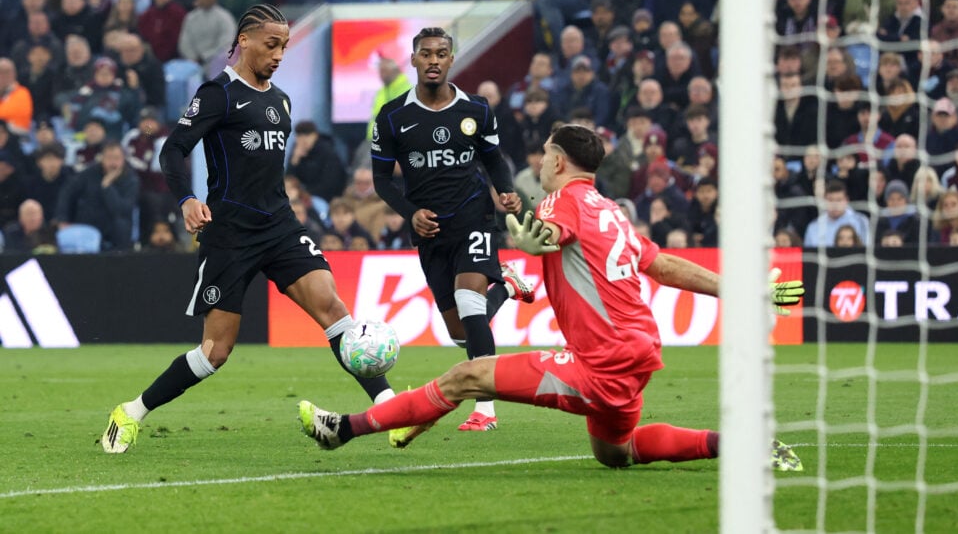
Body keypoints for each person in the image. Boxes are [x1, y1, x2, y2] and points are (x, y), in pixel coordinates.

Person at [298, 124, 805, 471]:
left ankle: (343, 428)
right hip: (638, 351)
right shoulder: (611, 211)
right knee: (616, 454)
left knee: (467, 374)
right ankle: (741, 444)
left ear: (558, 161)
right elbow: (664, 267)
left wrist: (525, 239)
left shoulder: (564, 202)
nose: (539, 162)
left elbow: (549, 231)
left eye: (544, 154)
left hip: (602, 359)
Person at [100, 4, 402, 454]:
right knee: (214, 354)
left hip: (279, 226)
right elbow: (173, 150)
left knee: (334, 311)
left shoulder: (280, 100)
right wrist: (186, 200)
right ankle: (131, 411)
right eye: (271, 44)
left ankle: (393, 412)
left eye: (283, 45)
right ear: (244, 40)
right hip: (231, 235)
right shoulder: (218, 94)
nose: (279, 54)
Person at [370, 27, 535, 435]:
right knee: (461, 331)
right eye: (425, 54)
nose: (433, 60)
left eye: (441, 53)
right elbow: (381, 180)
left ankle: (485, 412)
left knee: (468, 299)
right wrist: (410, 214)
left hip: (473, 218)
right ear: (413, 60)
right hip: (429, 232)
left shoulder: (476, 110)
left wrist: (507, 192)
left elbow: (495, 160)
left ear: (451, 60)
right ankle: (506, 287)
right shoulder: (393, 116)